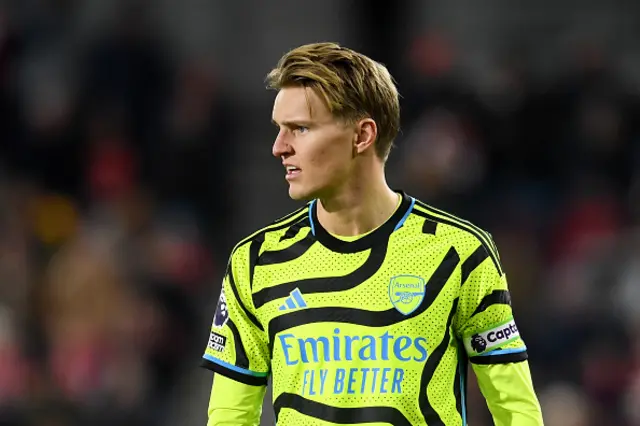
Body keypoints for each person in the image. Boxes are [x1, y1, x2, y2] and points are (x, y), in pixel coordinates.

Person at [200, 42, 543, 426]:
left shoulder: (460, 253)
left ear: (362, 135)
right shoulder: (256, 262)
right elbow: (230, 417)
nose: (279, 147)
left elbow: (516, 411)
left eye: (300, 128)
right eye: (279, 129)